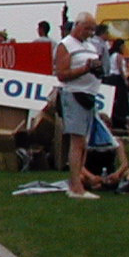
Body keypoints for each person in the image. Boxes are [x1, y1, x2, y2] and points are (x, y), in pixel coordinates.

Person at [55, 12, 104, 199]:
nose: (90, 32)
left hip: (89, 95)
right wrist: (86, 68)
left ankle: (79, 181)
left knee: (83, 143)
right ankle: (75, 186)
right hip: (74, 94)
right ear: (77, 25)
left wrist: (97, 70)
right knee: (77, 141)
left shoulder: (90, 45)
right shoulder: (66, 45)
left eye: (92, 29)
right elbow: (62, 74)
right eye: (87, 28)